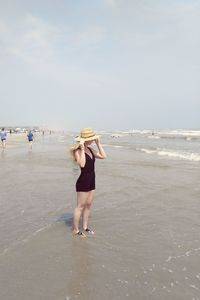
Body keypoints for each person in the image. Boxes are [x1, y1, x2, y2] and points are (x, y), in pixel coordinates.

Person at [70, 128, 107, 237]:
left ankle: (85, 227)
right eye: (91, 139)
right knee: (80, 206)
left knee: (88, 205)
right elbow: (82, 164)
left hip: (92, 178)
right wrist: (81, 149)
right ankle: (75, 230)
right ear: (84, 140)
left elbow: (104, 156)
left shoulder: (91, 149)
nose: (92, 140)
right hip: (83, 180)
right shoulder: (77, 151)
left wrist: (99, 144)